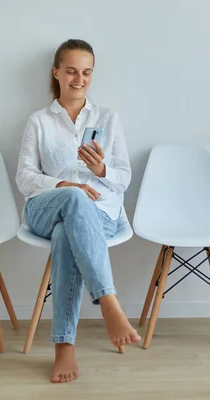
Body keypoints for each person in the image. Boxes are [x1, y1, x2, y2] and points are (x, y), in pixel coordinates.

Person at [15, 39, 141, 383]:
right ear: (56, 72)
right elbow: (24, 178)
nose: (79, 78)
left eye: (86, 72)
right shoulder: (39, 121)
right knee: (73, 200)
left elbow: (124, 178)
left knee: (65, 233)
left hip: (100, 213)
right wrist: (65, 186)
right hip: (46, 207)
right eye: (71, 70)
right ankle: (109, 303)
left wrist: (102, 170)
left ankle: (64, 346)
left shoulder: (107, 118)